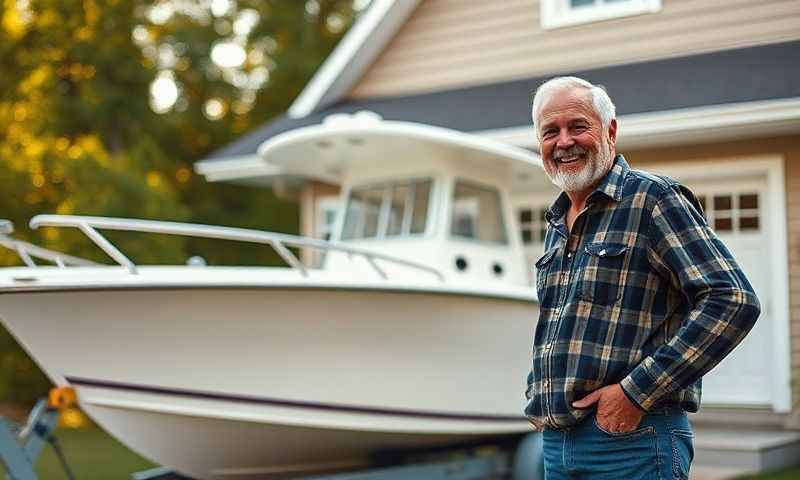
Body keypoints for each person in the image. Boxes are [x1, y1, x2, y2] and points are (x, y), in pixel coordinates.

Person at [523, 76, 761, 479]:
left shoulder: (653, 199)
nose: (564, 142)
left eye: (578, 126)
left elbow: (733, 300)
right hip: (557, 446)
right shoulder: (557, 222)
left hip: (633, 442)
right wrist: (538, 394)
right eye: (550, 132)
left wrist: (635, 392)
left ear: (610, 131)